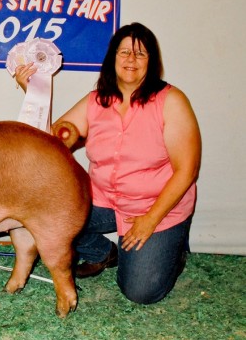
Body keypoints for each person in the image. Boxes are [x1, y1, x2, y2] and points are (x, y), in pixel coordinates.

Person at [13, 23, 201, 304]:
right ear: (112, 58)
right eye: (124, 52)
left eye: (140, 54)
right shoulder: (95, 101)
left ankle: (173, 251)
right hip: (105, 200)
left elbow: (187, 170)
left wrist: (149, 222)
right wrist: (31, 93)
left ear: (153, 61)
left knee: (140, 292)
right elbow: (51, 143)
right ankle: (104, 253)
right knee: (49, 216)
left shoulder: (172, 101)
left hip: (155, 207)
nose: (131, 59)